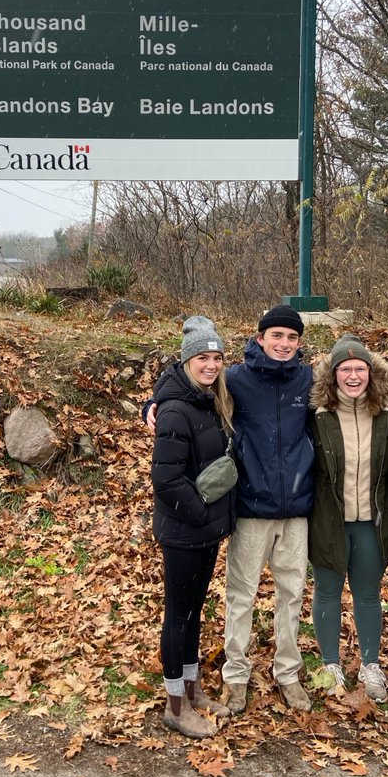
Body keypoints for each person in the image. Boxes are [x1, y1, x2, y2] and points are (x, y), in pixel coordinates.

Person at [149, 304, 315, 715]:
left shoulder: (308, 380)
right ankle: (235, 677)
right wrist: (151, 403)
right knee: (240, 596)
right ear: (260, 338)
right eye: (276, 335)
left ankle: (288, 674)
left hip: (296, 509)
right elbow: (185, 386)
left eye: (292, 337)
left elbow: (354, 390)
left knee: (292, 596)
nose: (284, 344)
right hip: (250, 508)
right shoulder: (235, 379)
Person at [151, 315, 236, 738]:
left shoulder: (210, 401)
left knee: (193, 611)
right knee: (177, 616)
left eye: (217, 358)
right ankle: (175, 706)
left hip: (204, 531)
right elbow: (166, 480)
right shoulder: (175, 410)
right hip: (184, 531)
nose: (211, 365)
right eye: (203, 357)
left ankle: (192, 687)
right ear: (187, 361)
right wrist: (202, 516)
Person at [308, 333, 388, 702]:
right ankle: (330, 664)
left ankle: (370, 664)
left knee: (367, 594)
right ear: (332, 375)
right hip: (330, 521)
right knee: (327, 591)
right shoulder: (317, 414)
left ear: (370, 373)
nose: (352, 376)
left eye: (359, 369)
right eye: (344, 369)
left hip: (371, 524)